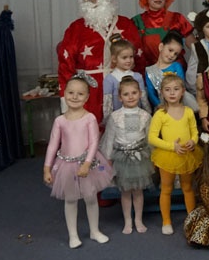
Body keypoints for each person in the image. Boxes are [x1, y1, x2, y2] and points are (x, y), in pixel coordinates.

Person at [57, 0, 143, 125]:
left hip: (121, 88)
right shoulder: (76, 28)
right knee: (89, 128)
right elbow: (65, 65)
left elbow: (139, 60)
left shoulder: (126, 24)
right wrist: (67, 98)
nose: (94, 1)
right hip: (88, 90)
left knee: (122, 128)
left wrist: (139, 89)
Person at [43, 74, 115, 248]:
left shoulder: (89, 118)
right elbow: (52, 145)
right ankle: (73, 235)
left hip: (88, 164)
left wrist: (87, 163)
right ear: (64, 93)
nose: (75, 97)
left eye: (80, 94)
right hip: (66, 165)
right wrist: (47, 168)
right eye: (71, 92)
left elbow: (94, 142)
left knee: (91, 198)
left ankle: (94, 231)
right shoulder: (60, 120)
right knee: (70, 199)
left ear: (87, 97)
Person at [148, 73, 202, 235]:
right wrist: (172, 146)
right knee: (166, 189)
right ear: (162, 92)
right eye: (168, 90)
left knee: (188, 187)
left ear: (183, 91)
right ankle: (166, 221)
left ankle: (192, 218)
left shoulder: (188, 112)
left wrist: (193, 141)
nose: (172, 93)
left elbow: (195, 132)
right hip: (168, 156)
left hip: (187, 155)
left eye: (176, 89)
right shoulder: (160, 114)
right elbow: (152, 138)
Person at [99, 76, 154, 234]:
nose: (130, 97)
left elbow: (149, 138)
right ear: (119, 97)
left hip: (140, 157)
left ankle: (138, 219)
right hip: (121, 158)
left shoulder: (145, 116)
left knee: (138, 191)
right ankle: (128, 221)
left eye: (134, 93)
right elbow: (110, 138)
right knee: (125, 192)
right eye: (126, 94)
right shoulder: (115, 116)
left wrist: (153, 157)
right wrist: (108, 159)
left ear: (140, 94)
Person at [131, 0, 194, 68]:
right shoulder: (136, 21)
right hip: (149, 71)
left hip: (175, 71)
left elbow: (194, 46)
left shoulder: (177, 18)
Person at [145, 30, 198, 111]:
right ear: (161, 47)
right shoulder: (149, 70)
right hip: (161, 108)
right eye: (170, 50)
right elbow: (151, 92)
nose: (172, 55)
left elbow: (181, 86)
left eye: (176, 54)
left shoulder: (176, 66)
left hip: (178, 104)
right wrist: (159, 105)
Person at [102, 35, 150, 120]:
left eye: (131, 57)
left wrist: (149, 115)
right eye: (124, 58)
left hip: (138, 118)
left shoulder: (138, 77)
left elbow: (144, 99)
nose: (128, 60)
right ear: (114, 59)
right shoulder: (109, 79)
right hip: (118, 120)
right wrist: (108, 121)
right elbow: (107, 104)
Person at [185, 8, 209, 98]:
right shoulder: (197, 47)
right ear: (202, 29)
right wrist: (195, 90)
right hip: (203, 87)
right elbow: (192, 71)